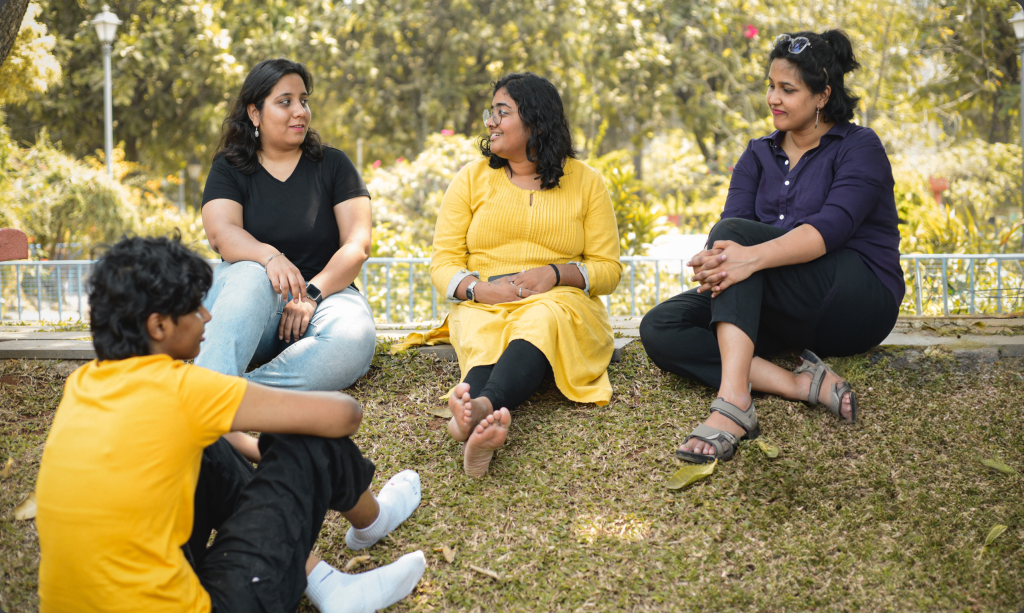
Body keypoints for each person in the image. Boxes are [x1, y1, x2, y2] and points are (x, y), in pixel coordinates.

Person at [35, 236, 425, 613]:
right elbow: (345, 415)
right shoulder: (183, 390)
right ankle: (372, 521)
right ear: (158, 327)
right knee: (306, 439)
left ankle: (325, 583)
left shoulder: (83, 385)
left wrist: (257, 451)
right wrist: (277, 445)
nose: (207, 315)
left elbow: (201, 439)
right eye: (194, 307)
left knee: (207, 446)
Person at [639, 30, 903, 463]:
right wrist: (720, 260)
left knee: (737, 241)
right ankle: (799, 384)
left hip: (856, 297)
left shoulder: (859, 146)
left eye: (787, 89)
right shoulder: (757, 155)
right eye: (770, 86)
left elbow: (832, 228)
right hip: (785, 304)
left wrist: (743, 256)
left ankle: (733, 403)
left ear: (822, 96)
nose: (772, 98)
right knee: (662, 328)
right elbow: (733, 231)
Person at [430, 72, 622, 478]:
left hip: (560, 301)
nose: (490, 122)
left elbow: (607, 270)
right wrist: (479, 290)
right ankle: (478, 419)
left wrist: (555, 274)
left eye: (503, 112)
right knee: (485, 335)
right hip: (487, 300)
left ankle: (479, 409)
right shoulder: (471, 178)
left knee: (539, 317)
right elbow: (443, 262)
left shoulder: (587, 183)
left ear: (535, 120)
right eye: (491, 112)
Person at [198, 58, 376, 461]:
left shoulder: (334, 165)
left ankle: (226, 396)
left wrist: (311, 293)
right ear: (254, 112)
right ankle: (209, 394)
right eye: (285, 101)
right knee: (249, 274)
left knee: (355, 339)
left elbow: (357, 244)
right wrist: (270, 258)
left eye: (304, 100)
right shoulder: (230, 167)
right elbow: (222, 234)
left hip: (324, 298)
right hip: (248, 302)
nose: (300, 111)